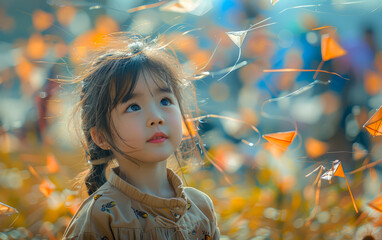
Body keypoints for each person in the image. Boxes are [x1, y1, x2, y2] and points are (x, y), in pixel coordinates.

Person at [62, 34, 220, 240]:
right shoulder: (101, 217)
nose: (156, 117)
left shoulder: (200, 207)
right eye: (133, 107)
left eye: (165, 100)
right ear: (101, 136)